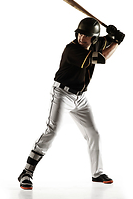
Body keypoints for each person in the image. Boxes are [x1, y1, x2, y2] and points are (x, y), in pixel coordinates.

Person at [18, 17, 125, 190]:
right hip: (62, 94)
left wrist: (113, 35)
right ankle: (26, 172)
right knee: (52, 132)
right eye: (80, 33)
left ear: (94, 38)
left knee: (93, 134)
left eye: (86, 35)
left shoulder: (95, 43)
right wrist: (118, 42)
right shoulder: (72, 49)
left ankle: (97, 173)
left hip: (80, 98)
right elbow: (102, 59)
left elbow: (107, 42)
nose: (82, 37)